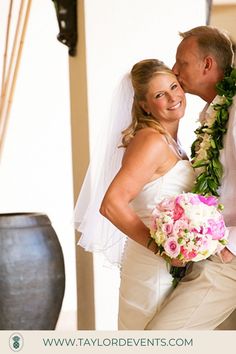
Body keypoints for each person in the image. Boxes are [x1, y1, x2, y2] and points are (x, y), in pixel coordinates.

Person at [74, 59, 195, 330]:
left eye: (174, 87)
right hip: (153, 270)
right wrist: (162, 250)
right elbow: (111, 204)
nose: (173, 97)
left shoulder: (170, 140)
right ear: (144, 104)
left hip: (169, 264)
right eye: (159, 94)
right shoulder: (151, 140)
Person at [146, 26, 236, 330]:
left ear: (207, 64)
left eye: (181, 62)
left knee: (158, 340)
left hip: (228, 260)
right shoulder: (213, 113)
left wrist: (230, 245)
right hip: (210, 255)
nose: (174, 70)